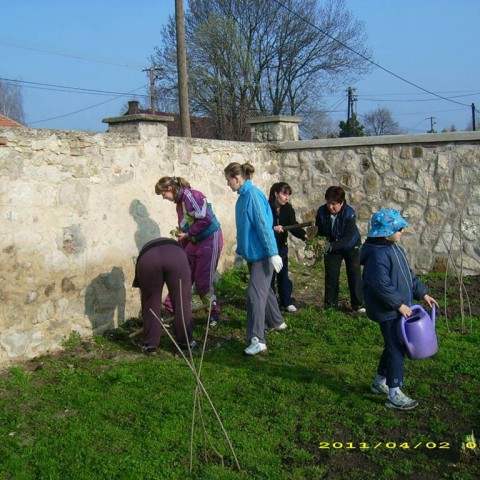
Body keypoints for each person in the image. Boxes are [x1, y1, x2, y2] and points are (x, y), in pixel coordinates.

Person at [360, 209, 438, 410]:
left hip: (398, 309)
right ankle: (394, 392)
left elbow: (409, 277)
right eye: (398, 228)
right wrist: (399, 305)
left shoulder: (395, 249)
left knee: (392, 345)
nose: (402, 230)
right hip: (389, 310)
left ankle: (380, 382)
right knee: (397, 348)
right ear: (386, 231)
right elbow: (380, 286)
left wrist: (423, 293)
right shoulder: (377, 256)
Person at [224, 163, 287, 355]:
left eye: (228, 180)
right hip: (253, 255)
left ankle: (257, 339)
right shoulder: (243, 198)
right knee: (264, 290)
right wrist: (242, 249)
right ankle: (277, 321)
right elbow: (246, 228)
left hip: (263, 256)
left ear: (237, 178)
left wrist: (272, 253)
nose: (227, 184)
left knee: (254, 294)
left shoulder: (252, 196)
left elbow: (262, 225)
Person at [155, 176, 224, 326]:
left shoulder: (191, 196)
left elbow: (205, 219)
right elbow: (184, 226)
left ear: (170, 189)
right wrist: (181, 244)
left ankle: (214, 313)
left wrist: (189, 234)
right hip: (194, 240)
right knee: (181, 273)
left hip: (210, 239)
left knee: (202, 280)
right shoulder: (179, 204)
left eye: (163, 194)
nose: (163, 198)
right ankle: (171, 309)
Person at [132, 237, 196, 355]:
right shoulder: (179, 250)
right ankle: (185, 343)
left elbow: (143, 292)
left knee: (151, 302)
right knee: (182, 301)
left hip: (147, 259)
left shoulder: (145, 251)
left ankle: (150, 346)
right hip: (176, 257)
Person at [315, 186, 365, 313]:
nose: (330, 207)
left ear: (342, 203)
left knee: (354, 273)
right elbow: (320, 231)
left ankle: (358, 304)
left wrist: (331, 246)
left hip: (351, 245)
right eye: (328, 203)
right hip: (331, 245)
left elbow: (348, 238)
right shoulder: (321, 212)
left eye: (334, 204)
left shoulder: (349, 213)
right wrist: (320, 243)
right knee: (331, 274)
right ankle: (330, 305)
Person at [268, 182, 307, 312]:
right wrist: (273, 228)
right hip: (269, 247)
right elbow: (262, 225)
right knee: (270, 277)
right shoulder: (267, 207)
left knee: (283, 275)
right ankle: (272, 303)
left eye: (288, 195)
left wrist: (304, 235)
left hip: (281, 246)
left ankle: (286, 301)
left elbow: (293, 225)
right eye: (284, 194)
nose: (286, 197)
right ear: (276, 194)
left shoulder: (288, 209)